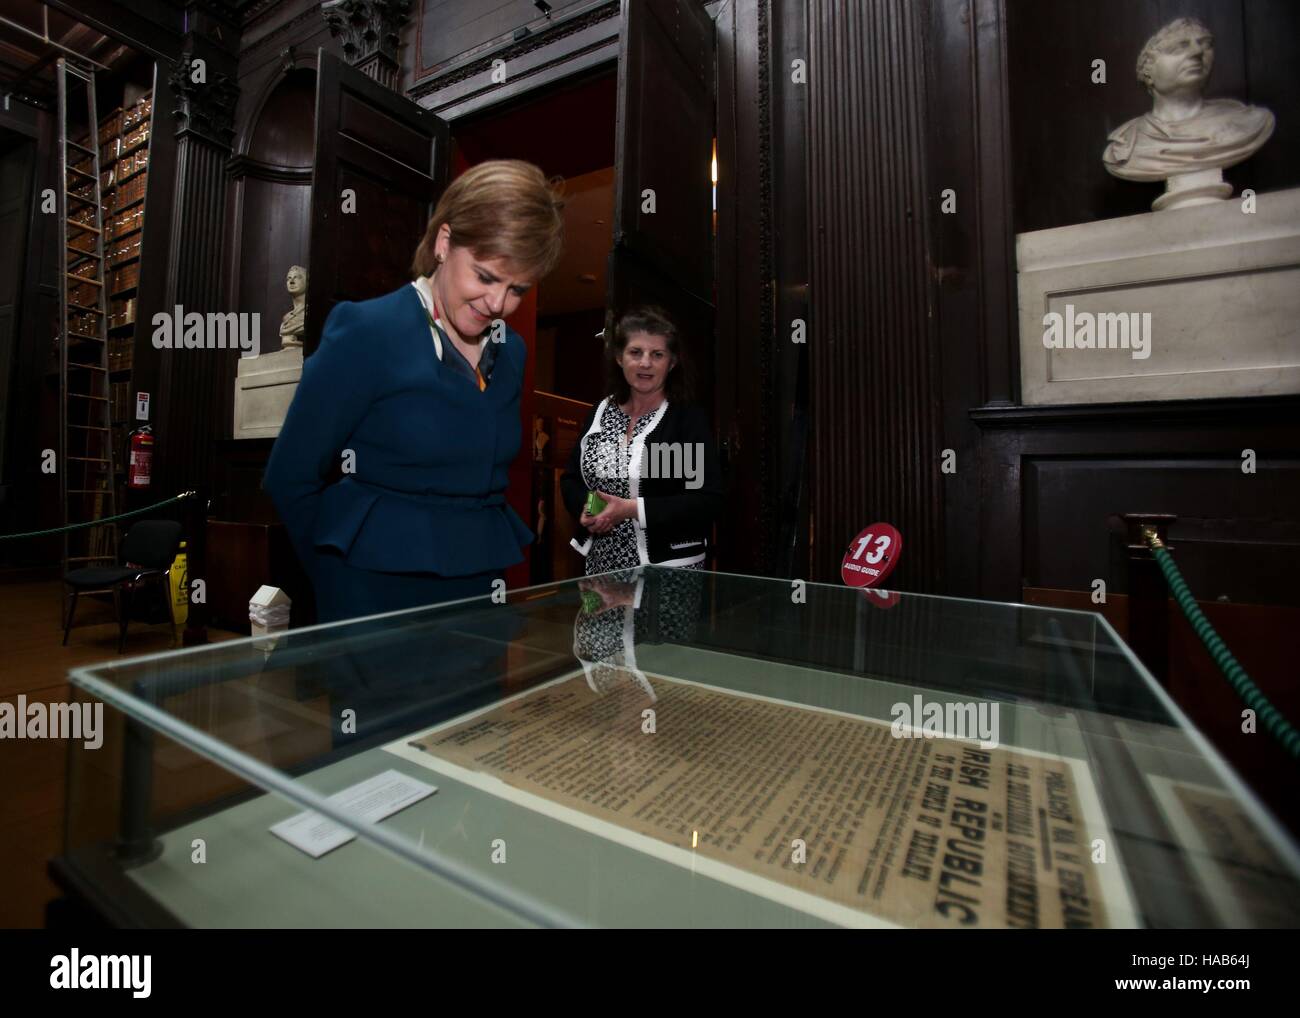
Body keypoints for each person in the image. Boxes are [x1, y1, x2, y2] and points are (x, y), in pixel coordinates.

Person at [264, 160, 565, 623]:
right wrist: (336, 588)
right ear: (444, 243)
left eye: (517, 288)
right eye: (485, 276)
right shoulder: (367, 330)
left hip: (478, 614)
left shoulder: (513, 352)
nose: (498, 304)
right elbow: (291, 477)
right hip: (372, 612)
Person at [560, 306, 722, 573]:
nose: (645, 362)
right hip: (601, 564)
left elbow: (706, 500)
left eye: (657, 354)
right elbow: (571, 480)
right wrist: (592, 508)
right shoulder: (600, 412)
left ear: (672, 363)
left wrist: (632, 509)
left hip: (669, 570)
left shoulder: (684, 419)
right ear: (619, 358)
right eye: (635, 352)